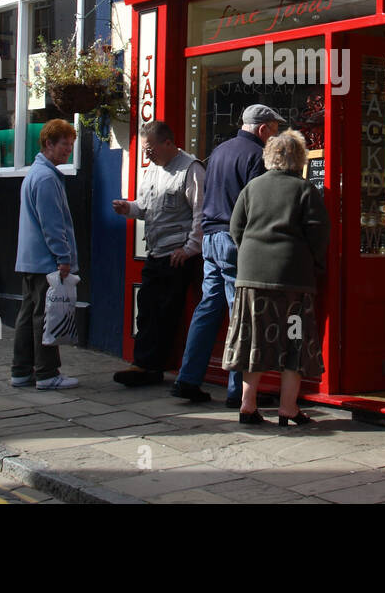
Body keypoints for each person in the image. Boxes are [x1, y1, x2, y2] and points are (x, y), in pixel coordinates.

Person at [170, 104, 284, 406]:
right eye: (273, 129)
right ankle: (240, 392)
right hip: (236, 241)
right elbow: (259, 206)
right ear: (262, 129)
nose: (274, 135)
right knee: (241, 314)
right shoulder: (257, 156)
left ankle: (188, 378)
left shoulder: (219, 151)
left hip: (210, 239)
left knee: (208, 308)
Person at [223, 129, 328, 426]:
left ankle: (247, 405)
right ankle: (288, 408)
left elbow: (236, 228)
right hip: (292, 280)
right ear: (299, 158)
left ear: (269, 156)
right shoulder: (305, 190)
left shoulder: (252, 188)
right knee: (294, 340)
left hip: (252, 278)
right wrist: (314, 262)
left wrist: (250, 254)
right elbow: (318, 232)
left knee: (254, 339)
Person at [111, 120, 204, 387]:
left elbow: (200, 213)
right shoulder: (152, 170)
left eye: (150, 148)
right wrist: (127, 208)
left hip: (177, 256)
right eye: (144, 149)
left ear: (168, 142)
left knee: (165, 313)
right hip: (156, 251)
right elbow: (145, 207)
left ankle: (151, 366)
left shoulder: (190, 169)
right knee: (147, 310)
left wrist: (189, 248)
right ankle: (144, 365)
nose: (147, 154)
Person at [12, 118, 81, 391]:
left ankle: (21, 371)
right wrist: (63, 258)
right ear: (49, 144)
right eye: (65, 145)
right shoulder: (46, 178)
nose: (68, 151)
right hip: (46, 262)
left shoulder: (37, 174)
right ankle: (47, 374)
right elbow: (52, 225)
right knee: (46, 317)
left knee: (28, 316)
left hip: (31, 259)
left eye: (71, 145)